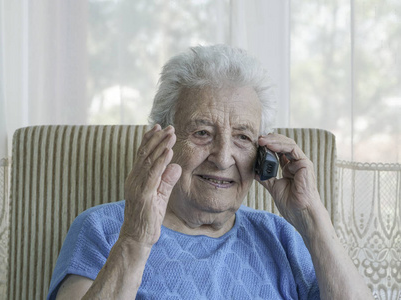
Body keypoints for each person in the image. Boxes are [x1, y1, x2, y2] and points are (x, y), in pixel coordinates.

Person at [47, 45, 372, 299]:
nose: (222, 157)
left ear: (262, 155)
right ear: (163, 140)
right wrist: (136, 238)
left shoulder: (281, 236)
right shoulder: (105, 228)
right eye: (202, 133)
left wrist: (311, 218)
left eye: (243, 137)